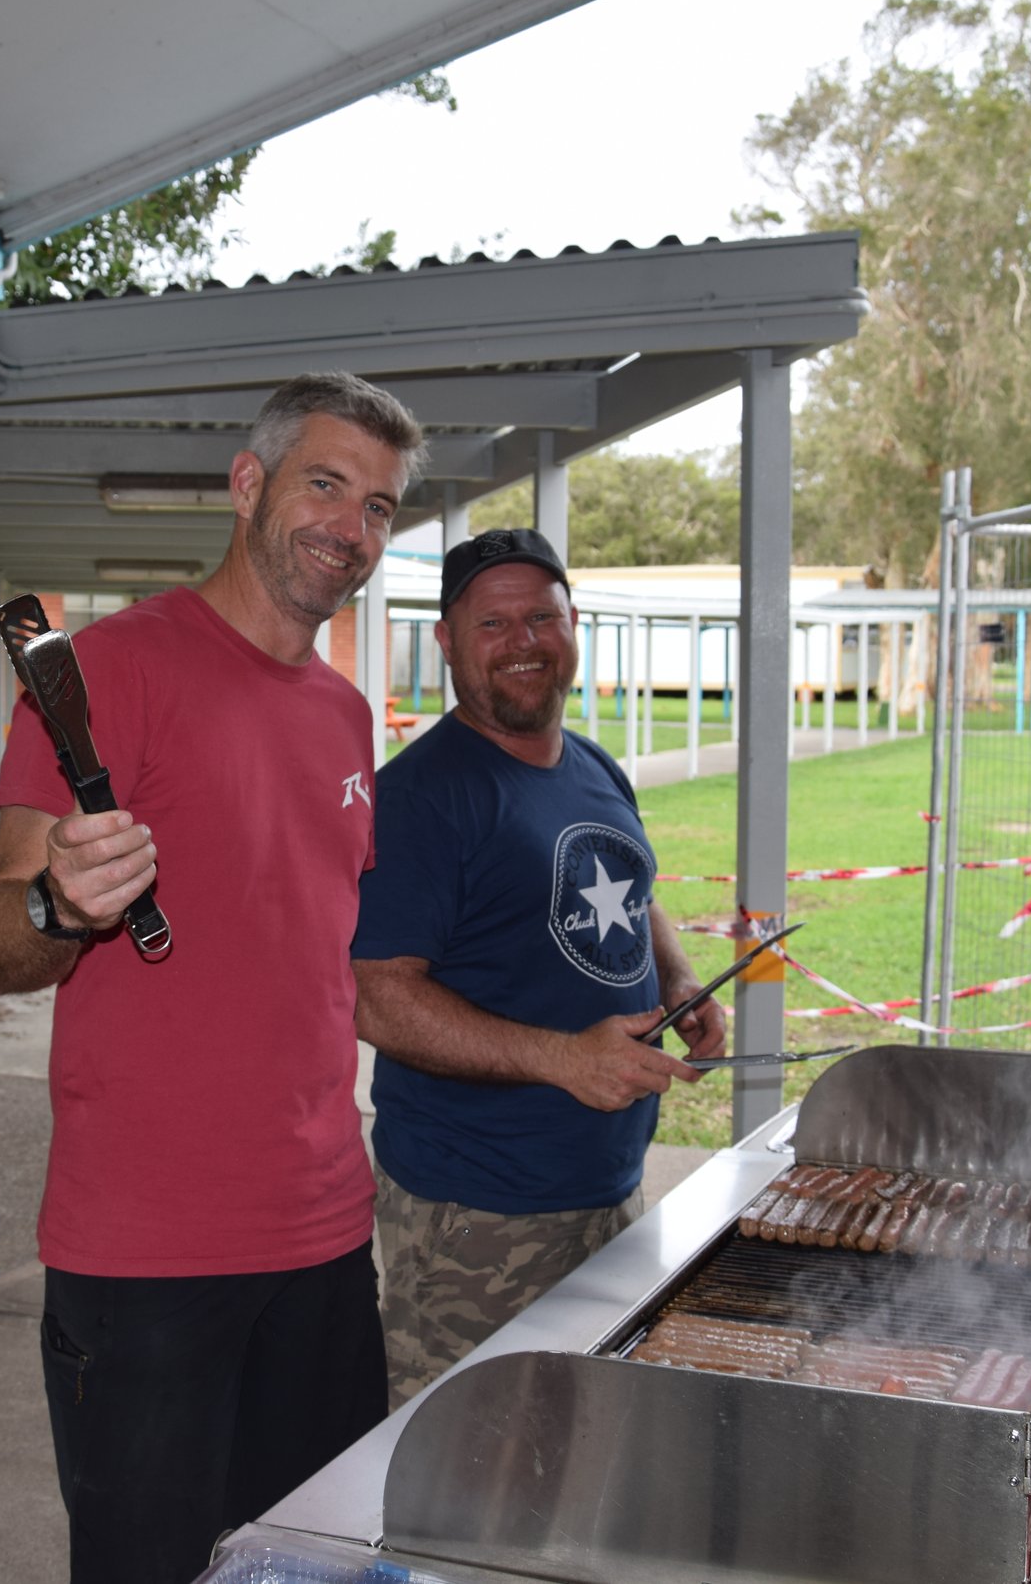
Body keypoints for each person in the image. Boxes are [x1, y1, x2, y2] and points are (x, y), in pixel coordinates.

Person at [0, 372, 423, 1584]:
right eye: (325, 483)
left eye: (378, 506)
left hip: (326, 1235)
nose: (350, 525)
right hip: (148, 1258)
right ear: (247, 482)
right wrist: (61, 902)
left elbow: (316, 952)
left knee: (313, 1570)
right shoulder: (108, 671)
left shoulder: (343, 715)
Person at [350, 528, 730, 1406]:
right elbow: (378, 998)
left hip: (607, 1190)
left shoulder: (593, 765)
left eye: (542, 617)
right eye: (493, 624)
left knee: (580, 1453)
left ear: (572, 625)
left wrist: (675, 978)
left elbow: (634, 889)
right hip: (478, 1212)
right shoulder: (421, 797)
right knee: (462, 1472)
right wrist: (566, 1058)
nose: (523, 641)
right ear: (446, 641)